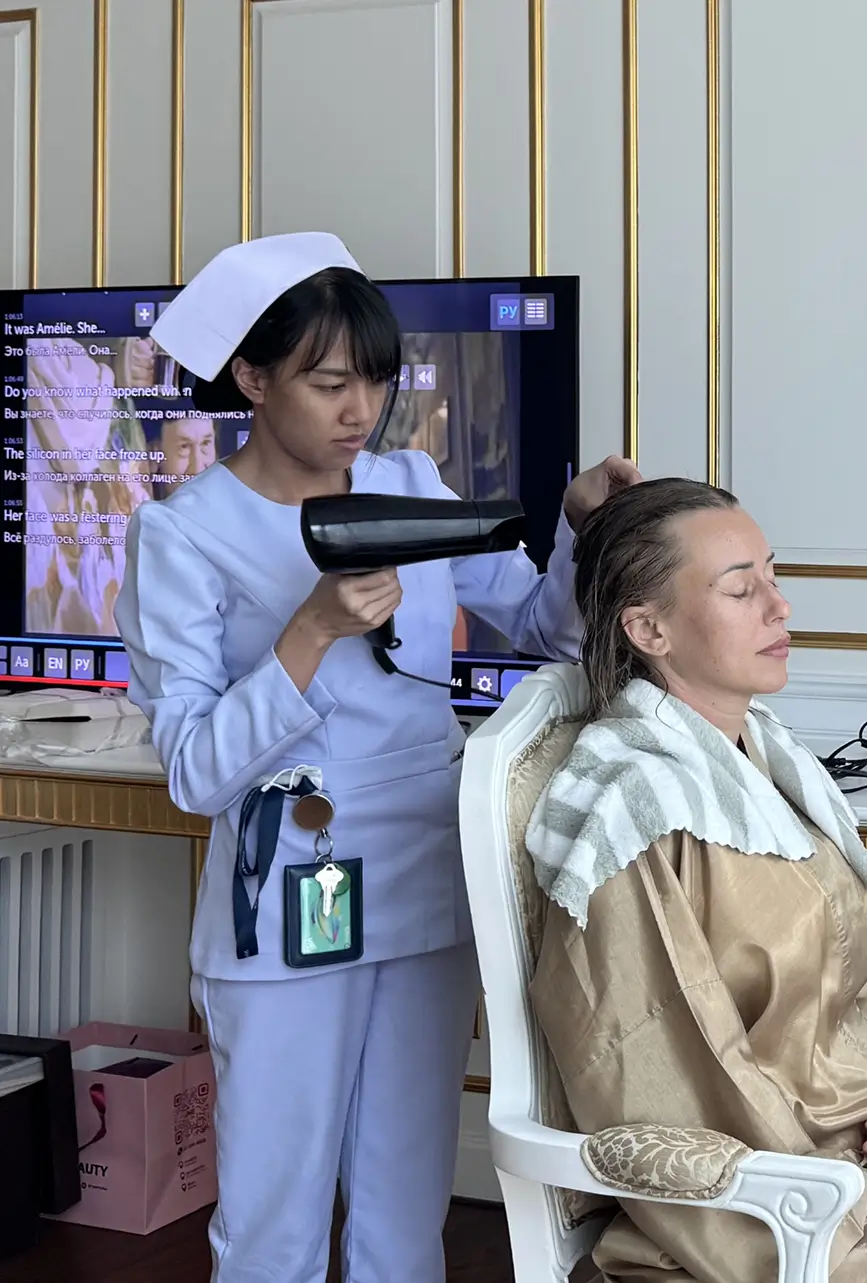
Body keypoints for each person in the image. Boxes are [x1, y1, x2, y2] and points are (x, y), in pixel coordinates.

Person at [112, 231, 640, 1283]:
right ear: (253, 379)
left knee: (406, 1204)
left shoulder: (409, 480)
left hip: (428, 875)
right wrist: (307, 632)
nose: (362, 410)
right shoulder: (187, 532)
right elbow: (195, 771)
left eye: (378, 380)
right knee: (275, 1215)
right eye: (329, 381)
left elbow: (542, 626)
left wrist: (583, 526)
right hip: (287, 897)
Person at [524, 478, 867, 1283]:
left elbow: (841, 989)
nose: (780, 607)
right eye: (742, 588)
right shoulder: (633, 817)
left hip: (864, 1153)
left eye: (772, 576)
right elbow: (664, 1083)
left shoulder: (771, 764)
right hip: (771, 1214)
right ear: (648, 627)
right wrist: (864, 1185)